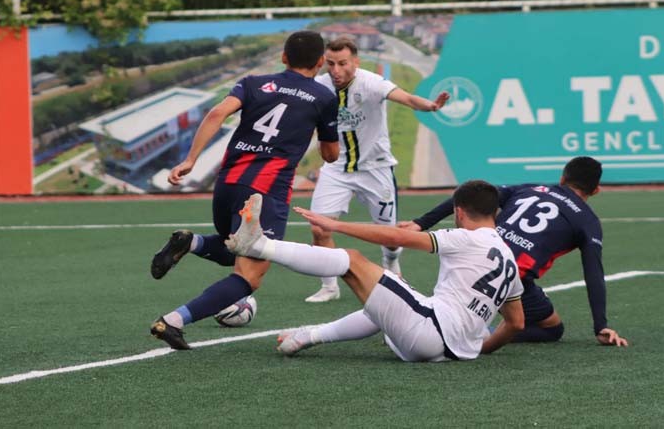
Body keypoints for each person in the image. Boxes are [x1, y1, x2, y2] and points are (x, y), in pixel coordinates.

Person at [276, 157, 628, 355]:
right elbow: (593, 272)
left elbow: (467, 196)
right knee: (551, 328)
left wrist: (419, 222)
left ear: (562, 176)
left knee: (379, 280)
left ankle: (264, 248)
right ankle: (476, 332)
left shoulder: (528, 188)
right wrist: (602, 325)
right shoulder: (589, 221)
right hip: (512, 275)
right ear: (595, 190)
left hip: (481, 261)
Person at [149, 30, 340, 349]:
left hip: (227, 183)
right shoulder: (324, 98)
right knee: (249, 276)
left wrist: (191, 159)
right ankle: (172, 321)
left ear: (283, 57)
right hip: (265, 192)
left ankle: (190, 242)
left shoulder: (253, 83)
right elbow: (331, 154)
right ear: (321, 63)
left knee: (232, 248)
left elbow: (217, 113)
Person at [225, 180, 525, 362]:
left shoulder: (466, 237)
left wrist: (335, 225)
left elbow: (397, 238)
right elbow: (516, 323)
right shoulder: (509, 258)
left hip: (429, 330)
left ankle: (259, 246)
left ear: (458, 211)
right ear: (494, 212)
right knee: (388, 290)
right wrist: (479, 349)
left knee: (353, 261)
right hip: (447, 350)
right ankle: (308, 336)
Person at [303, 36, 450, 303]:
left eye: (343, 63)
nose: (336, 70)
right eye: (331, 64)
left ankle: (391, 263)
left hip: (376, 169)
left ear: (355, 62)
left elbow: (404, 97)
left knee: (391, 238)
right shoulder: (319, 86)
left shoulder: (371, 82)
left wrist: (429, 106)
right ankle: (329, 285)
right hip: (336, 170)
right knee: (319, 229)